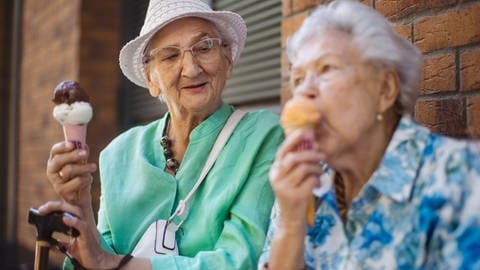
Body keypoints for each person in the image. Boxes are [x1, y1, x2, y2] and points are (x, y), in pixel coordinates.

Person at [39, 0, 284, 269]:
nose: (191, 68)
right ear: (151, 80)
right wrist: (80, 207)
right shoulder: (118, 153)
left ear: (227, 60)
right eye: (170, 56)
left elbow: (241, 261)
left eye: (205, 47)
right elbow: (96, 257)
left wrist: (111, 262)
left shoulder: (264, 136)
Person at [258, 1, 480, 269]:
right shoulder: (299, 185)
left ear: (385, 89)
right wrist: (291, 224)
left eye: (327, 68)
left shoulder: (462, 178)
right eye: (297, 79)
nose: (304, 91)